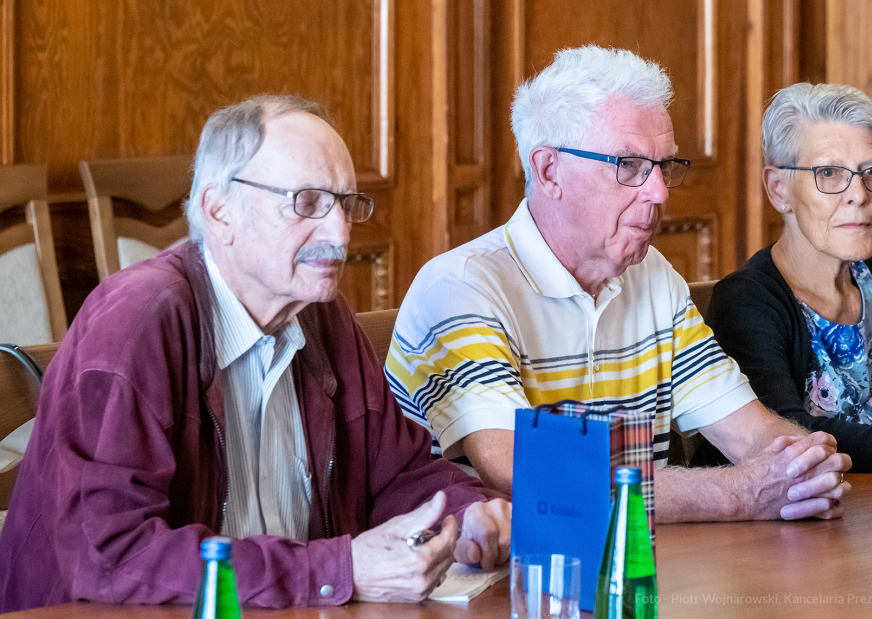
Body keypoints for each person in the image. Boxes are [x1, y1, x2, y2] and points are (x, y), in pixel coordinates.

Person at [0, 96, 511, 612]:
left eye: (346, 204)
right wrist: (337, 570)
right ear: (220, 211)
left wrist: (465, 513)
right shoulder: (138, 321)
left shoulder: (321, 315)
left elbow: (398, 474)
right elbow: (112, 556)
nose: (339, 234)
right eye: (307, 202)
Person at [385, 46, 851, 523]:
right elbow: (520, 469)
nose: (660, 192)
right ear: (549, 171)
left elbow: (751, 433)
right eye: (628, 165)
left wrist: (804, 464)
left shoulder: (652, 275)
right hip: (497, 581)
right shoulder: (463, 287)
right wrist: (738, 493)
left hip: (633, 569)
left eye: (664, 165)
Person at [705, 83, 872, 472]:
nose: (859, 194)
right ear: (778, 188)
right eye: (829, 173)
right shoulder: (746, 301)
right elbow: (783, 435)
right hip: (804, 521)